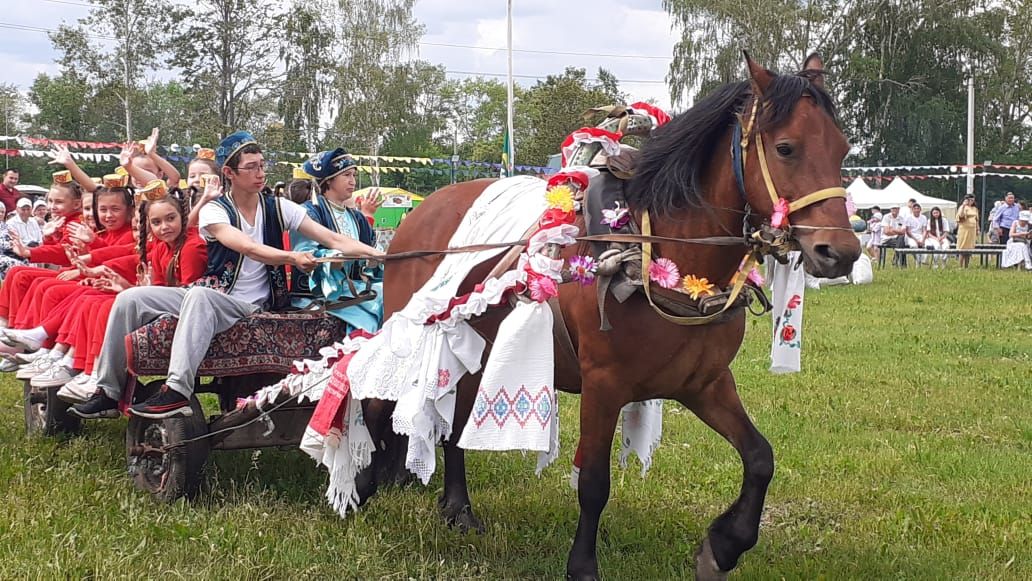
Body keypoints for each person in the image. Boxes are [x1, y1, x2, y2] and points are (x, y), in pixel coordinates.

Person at [71, 131, 384, 420]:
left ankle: (177, 389)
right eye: (251, 167)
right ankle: (108, 391)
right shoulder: (214, 210)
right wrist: (292, 257)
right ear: (230, 173)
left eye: (262, 165)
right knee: (129, 299)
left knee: (199, 297)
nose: (261, 173)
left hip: (249, 303)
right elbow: (247, 246)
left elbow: (332, 238)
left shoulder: (280, 207)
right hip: (213, 291)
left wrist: (378, 254)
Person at [292, 148, 384, 334]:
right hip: (323, 293)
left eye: (354, 175)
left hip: (356, 288)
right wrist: (335, 259)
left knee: (395, 292)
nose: (353, 181)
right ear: (329, 180)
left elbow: (374, 249)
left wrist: (378, 258)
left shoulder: (357, 218)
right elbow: (307, 255)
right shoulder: (308, 213)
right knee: (381, 302)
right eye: (347, 175)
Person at [955, 194, 979, 267]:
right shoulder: (963, 207)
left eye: (973, 200)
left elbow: (977, 219)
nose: (971, 202)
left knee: (969, 249)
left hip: (972, 230)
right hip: (964, 229)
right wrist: (963, 206)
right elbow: (961, 216)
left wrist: (978, 229)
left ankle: (966, 266)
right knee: (962, 248)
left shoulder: (975, 209)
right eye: (970, 200)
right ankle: (960, 266)